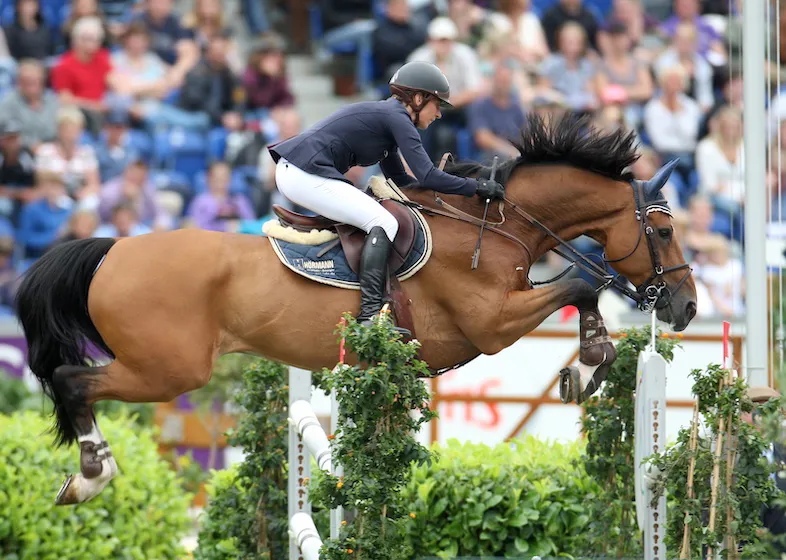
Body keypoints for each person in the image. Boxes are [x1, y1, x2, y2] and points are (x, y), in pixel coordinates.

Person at [268, 60, 505, 336]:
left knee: (381, 218)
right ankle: (369, 314)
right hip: (302, 173)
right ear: (418, 98)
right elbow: (427, 176)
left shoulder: (388, 122)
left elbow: (404, 182)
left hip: (300, 172)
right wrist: (475, 187)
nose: (439, 114)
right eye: (437, 104)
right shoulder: (396, 118)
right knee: (384, 221)